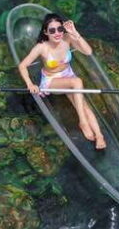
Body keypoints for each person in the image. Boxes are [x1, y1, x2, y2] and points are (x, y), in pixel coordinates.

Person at [17, 13, 106, 150]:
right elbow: (22, 65)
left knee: (83, 105)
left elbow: (88, 52)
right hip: (51, 82)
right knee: (77, 82)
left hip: (67, 76)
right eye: (52, 30)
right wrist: (30, 83)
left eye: (59, 29)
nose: (57, 33)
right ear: (46, 32)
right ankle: (82, 122)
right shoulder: (41, 47)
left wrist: (75, 34)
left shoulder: (67, 38)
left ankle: (99, 135)